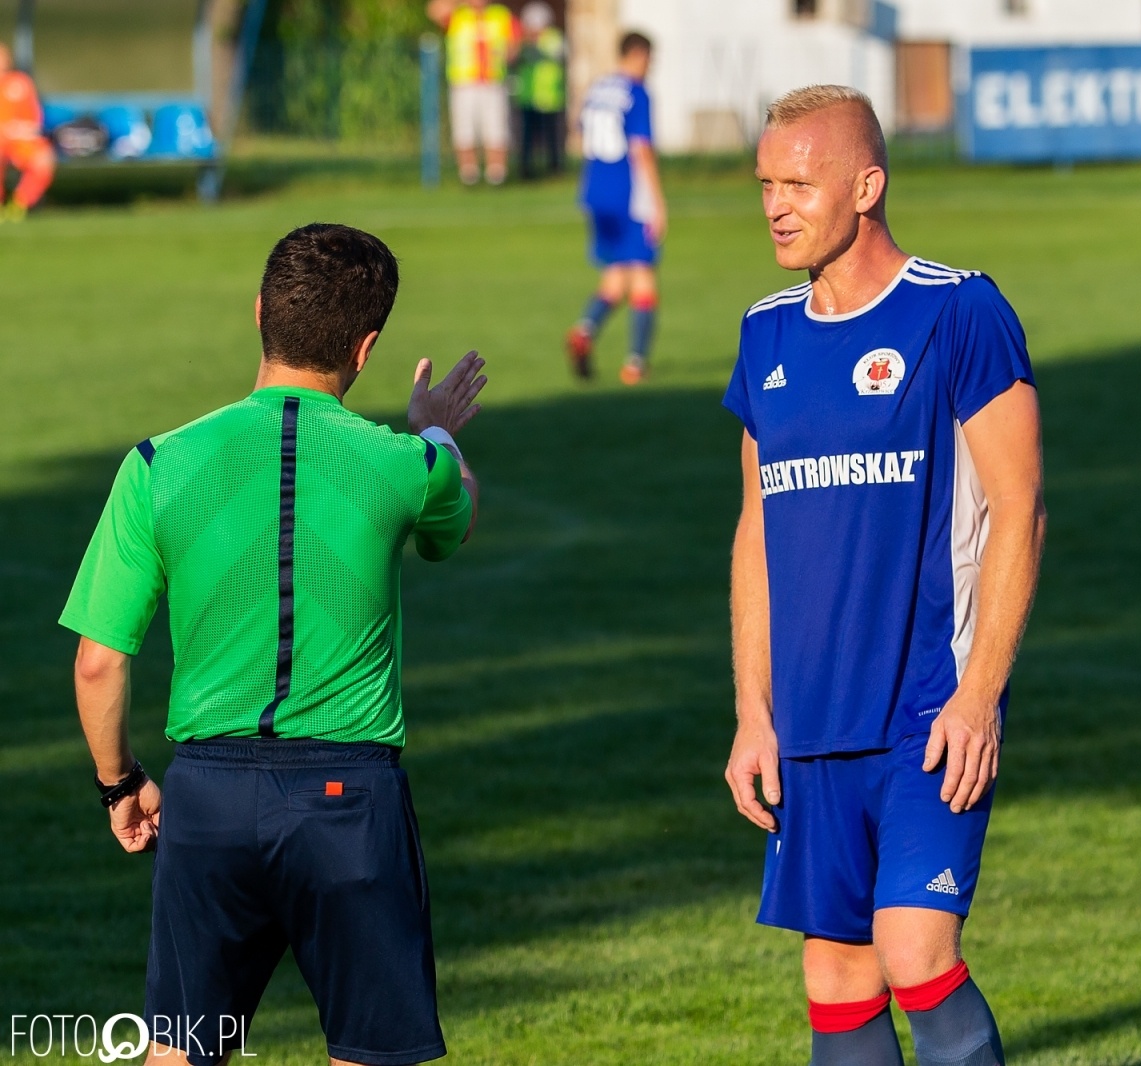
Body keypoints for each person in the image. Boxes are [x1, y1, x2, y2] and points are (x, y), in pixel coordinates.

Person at [60, 224, 488, 1065]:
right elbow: (458, 513)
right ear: (365, 348)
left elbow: (98, 661)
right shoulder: (403, 464)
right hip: (350, 803)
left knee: (180, 1051)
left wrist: (119, 785)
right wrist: (436, 431)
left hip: (207, 800)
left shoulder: (156, 465)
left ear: (259, 312)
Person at [723, 84, 1046, 1066]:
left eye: (798, 183)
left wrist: (980, 696)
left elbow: (1019, 511)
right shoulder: (766, 331)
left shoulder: (959, 312)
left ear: (866, 185)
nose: (775, 204)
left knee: (914, 953)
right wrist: (752, 710)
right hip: (809, 724)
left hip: (925, 713)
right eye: (765, 183)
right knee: (837, 978)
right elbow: (754, 531)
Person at [566, 31, 666, 386]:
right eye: (650, 59)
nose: (651, 67)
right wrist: (657, 202)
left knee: (615, 277)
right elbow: (641, 149)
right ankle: (636, 363)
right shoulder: (636, 93)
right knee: (643, 277)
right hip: (628, 195)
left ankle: (584, 330)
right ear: (638, 54)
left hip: (594, 191)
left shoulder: (598, 89)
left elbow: (579, 131)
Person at [428, 0, 517, 186]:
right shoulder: (458, 15)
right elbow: (434, 10)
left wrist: (508, 54)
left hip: (492, 81)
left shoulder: (500, 15)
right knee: (464, 130)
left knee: (496, 129)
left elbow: (514, 40)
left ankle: (496, 174)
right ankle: (469, 174)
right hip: (464, 82)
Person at [0, 42, 56, 222]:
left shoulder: (21, 83)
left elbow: (34, 123)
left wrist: (15, 129)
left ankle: (18, 205)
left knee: (43, 158)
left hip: (19, 140)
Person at [512, 1, 566, 180]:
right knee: (527, 137)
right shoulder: (522, 41)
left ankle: (555, 168)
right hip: (528, 96)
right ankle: (526, 170)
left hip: (550, 98)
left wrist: (531, 44)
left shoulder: (554, 38)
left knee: (553, 137)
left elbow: (553, 55)